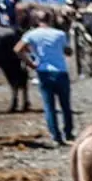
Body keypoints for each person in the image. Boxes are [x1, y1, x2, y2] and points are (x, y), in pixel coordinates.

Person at [16, 11, 73, 146]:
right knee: (65, 105)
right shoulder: (59, 34)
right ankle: (68, 132)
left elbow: (18, 49)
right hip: (61, 71)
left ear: (36, 20)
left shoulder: (31, 34)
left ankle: (56, 135)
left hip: (43, 72)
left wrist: (31, 63)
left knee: (49, 106)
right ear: (51, 19)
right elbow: (68, 51)